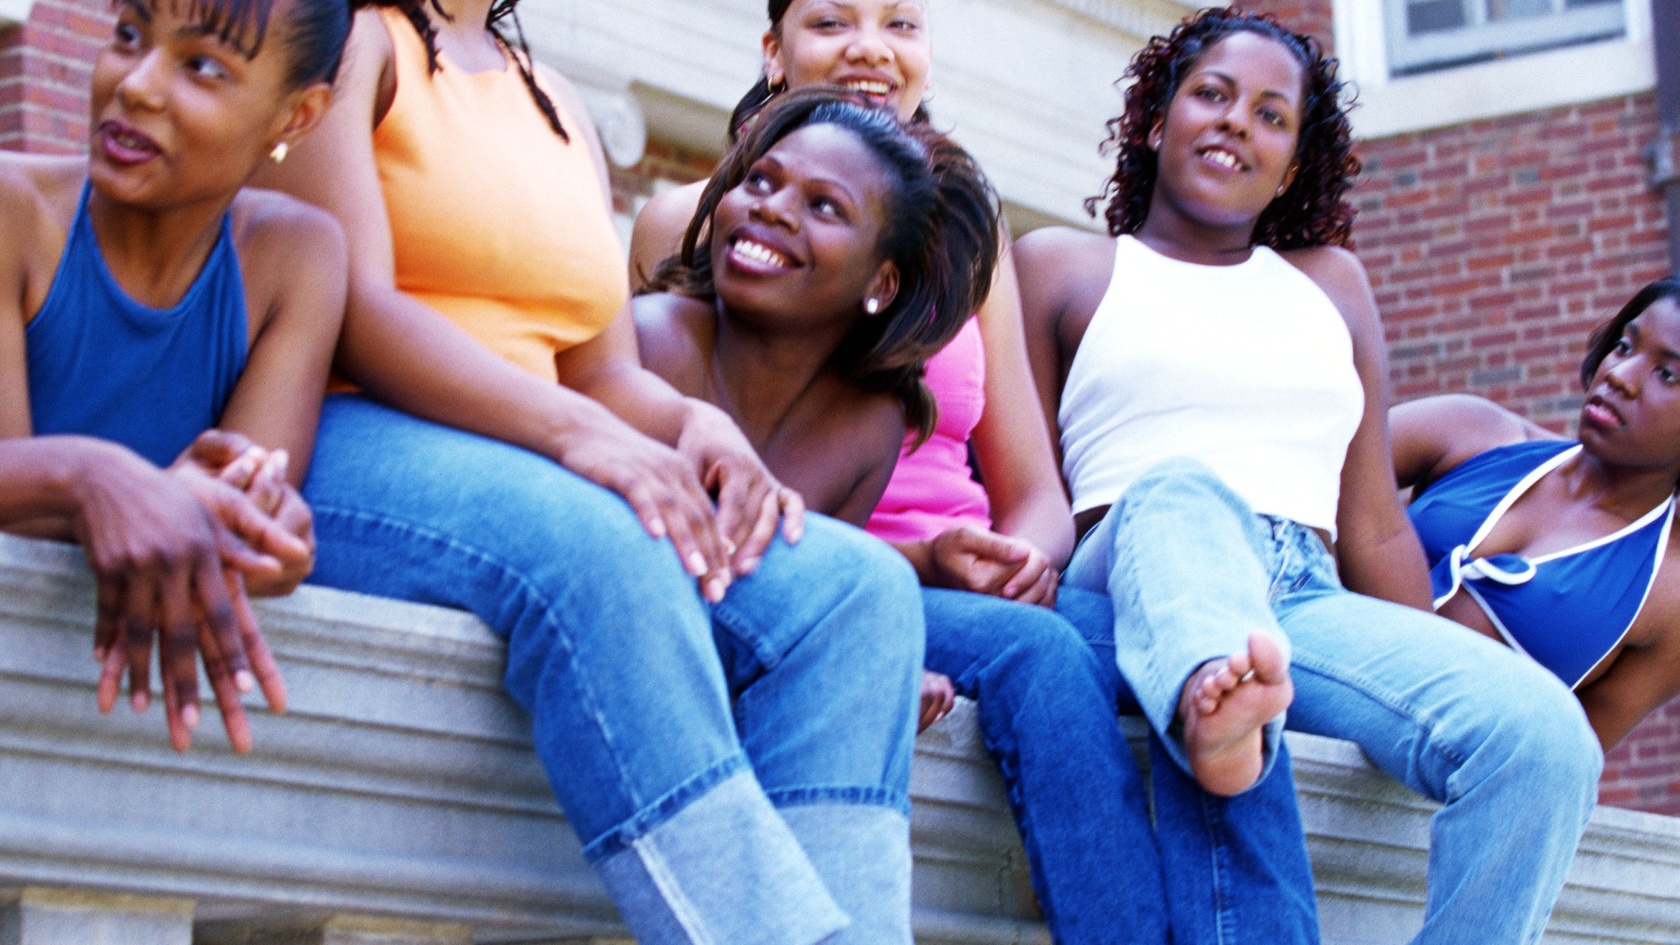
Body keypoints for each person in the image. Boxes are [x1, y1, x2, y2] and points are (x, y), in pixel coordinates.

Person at [631, 8, 1320, 941]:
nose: (871, 44)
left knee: (1197, 649)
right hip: (844, 571)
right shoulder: (703, 226)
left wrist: (1022, 562)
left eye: (902, 20)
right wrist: (881, 625)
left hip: (962, 573)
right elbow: (685, 459)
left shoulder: (960, 254)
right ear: (773, 50)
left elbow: (1032, 484)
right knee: (1044, 659)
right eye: (833, 18)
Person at [254, 1, 927, 942]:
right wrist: (579, 436)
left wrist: (698, 430)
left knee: (859, 590)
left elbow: (602, 368)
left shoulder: (557, 103)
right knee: (610, 542)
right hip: (358, 433)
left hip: (532, 460)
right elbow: (354, 305)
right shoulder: (356, 42)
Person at [1017, 9, 1603, 945]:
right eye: (1210, 94)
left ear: (1291, 166)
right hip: (1130, 573)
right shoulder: (1062, 266)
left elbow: (1371, 524)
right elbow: (1024, 478)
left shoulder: (1330, 285)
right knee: (1179, 488)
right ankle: (1214, 706)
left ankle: (1232, 705)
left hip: (1301, 602)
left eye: (1269, 114)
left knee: (1544, 737)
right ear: (1155, 121)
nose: (1234, 121)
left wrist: (1430, 676)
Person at [0, 0, 350, 752]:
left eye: (201, 66)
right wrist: (93, 477)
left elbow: (242, 502)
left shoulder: (295, 257)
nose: (137, 85)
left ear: (296, 116)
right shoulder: (12, 212)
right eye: (129, 36)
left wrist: (267, 536)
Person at [1394, 276, 1680, 751]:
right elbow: (1301, 473)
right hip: (1297, 670)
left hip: (1424, 767)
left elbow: (1564, 759)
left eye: (1667, 375)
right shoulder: (1474, 431)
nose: (1620, 376)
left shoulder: (1667, 592)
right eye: (1625, 346)